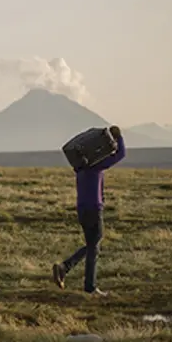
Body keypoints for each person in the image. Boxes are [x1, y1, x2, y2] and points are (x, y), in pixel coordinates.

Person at [53, 126, 126, 296]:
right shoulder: (96, 166)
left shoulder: (80, 169)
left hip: (82, 209)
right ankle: (87, 284)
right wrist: (119, 137)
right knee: (95, 245)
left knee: (92, 245)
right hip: (94, 209)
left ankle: (67, 270)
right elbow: (120, 154)